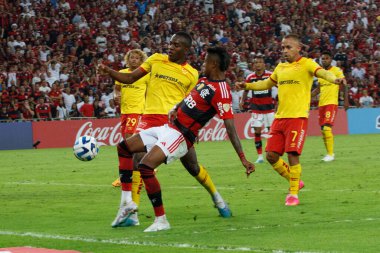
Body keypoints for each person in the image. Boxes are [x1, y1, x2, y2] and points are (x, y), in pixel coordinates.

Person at [102, 46, 255, 232]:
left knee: (147, 166)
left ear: (214, 64)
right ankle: (127, 204)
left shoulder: (222, 92)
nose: (203, 64)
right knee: (124, 148)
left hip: (181, 135)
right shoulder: (204, 79)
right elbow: (189, 96)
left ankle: (162, 219)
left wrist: (243, 158)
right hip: (167, 126)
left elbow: (230, 127)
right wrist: (176, 108)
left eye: (206, 61)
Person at [237, 34, 345, 206]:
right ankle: (295, 181)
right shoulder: (280, 68)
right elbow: (265, 84)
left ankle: (293, 193)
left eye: (288, 47)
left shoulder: (307, 63)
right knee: (271, 156)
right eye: (282, 48)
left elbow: (323, 73)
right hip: (279, 118)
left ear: (298, 48)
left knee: (292, 154)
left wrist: (335, 79)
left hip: (297, 118)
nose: (284, 51)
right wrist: (247, 86)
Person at [111, 49, 149, 190]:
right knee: (129, 146)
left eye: (137, 58)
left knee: (129, 145)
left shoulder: (145, 75)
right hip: (124, 112)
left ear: (141, 60)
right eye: (131, 57)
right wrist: (116, 96)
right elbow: (117, 88)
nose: (133, 60)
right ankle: (146, 169)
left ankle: (127, 176)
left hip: (137, 112)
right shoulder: (122, 73)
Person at [311, 51, 346, 162]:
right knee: (323, 130)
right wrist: (306, 96)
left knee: (326, 128)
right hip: (322, 104)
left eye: (327, 58)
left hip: (331, 103)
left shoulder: (336, 71)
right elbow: (318, 89)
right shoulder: (321, 73)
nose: (324, 60)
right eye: (323, 58)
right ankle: (328, 154)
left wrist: (346, 100)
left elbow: (344, 83)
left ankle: (331, 154)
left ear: (331, 59)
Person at [241, 55, 276, 164]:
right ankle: (260, 156)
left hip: (269, 108)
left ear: (264, 64)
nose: (258, 64)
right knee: (257, 132)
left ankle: (271, 153)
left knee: (272, 132)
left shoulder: (270, 75)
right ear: (253, 65)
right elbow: (246, 89)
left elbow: (279, 86)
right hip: (256, 108)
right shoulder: (250, 77)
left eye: (260, 62)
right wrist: (243, 101)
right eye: (256, 62)